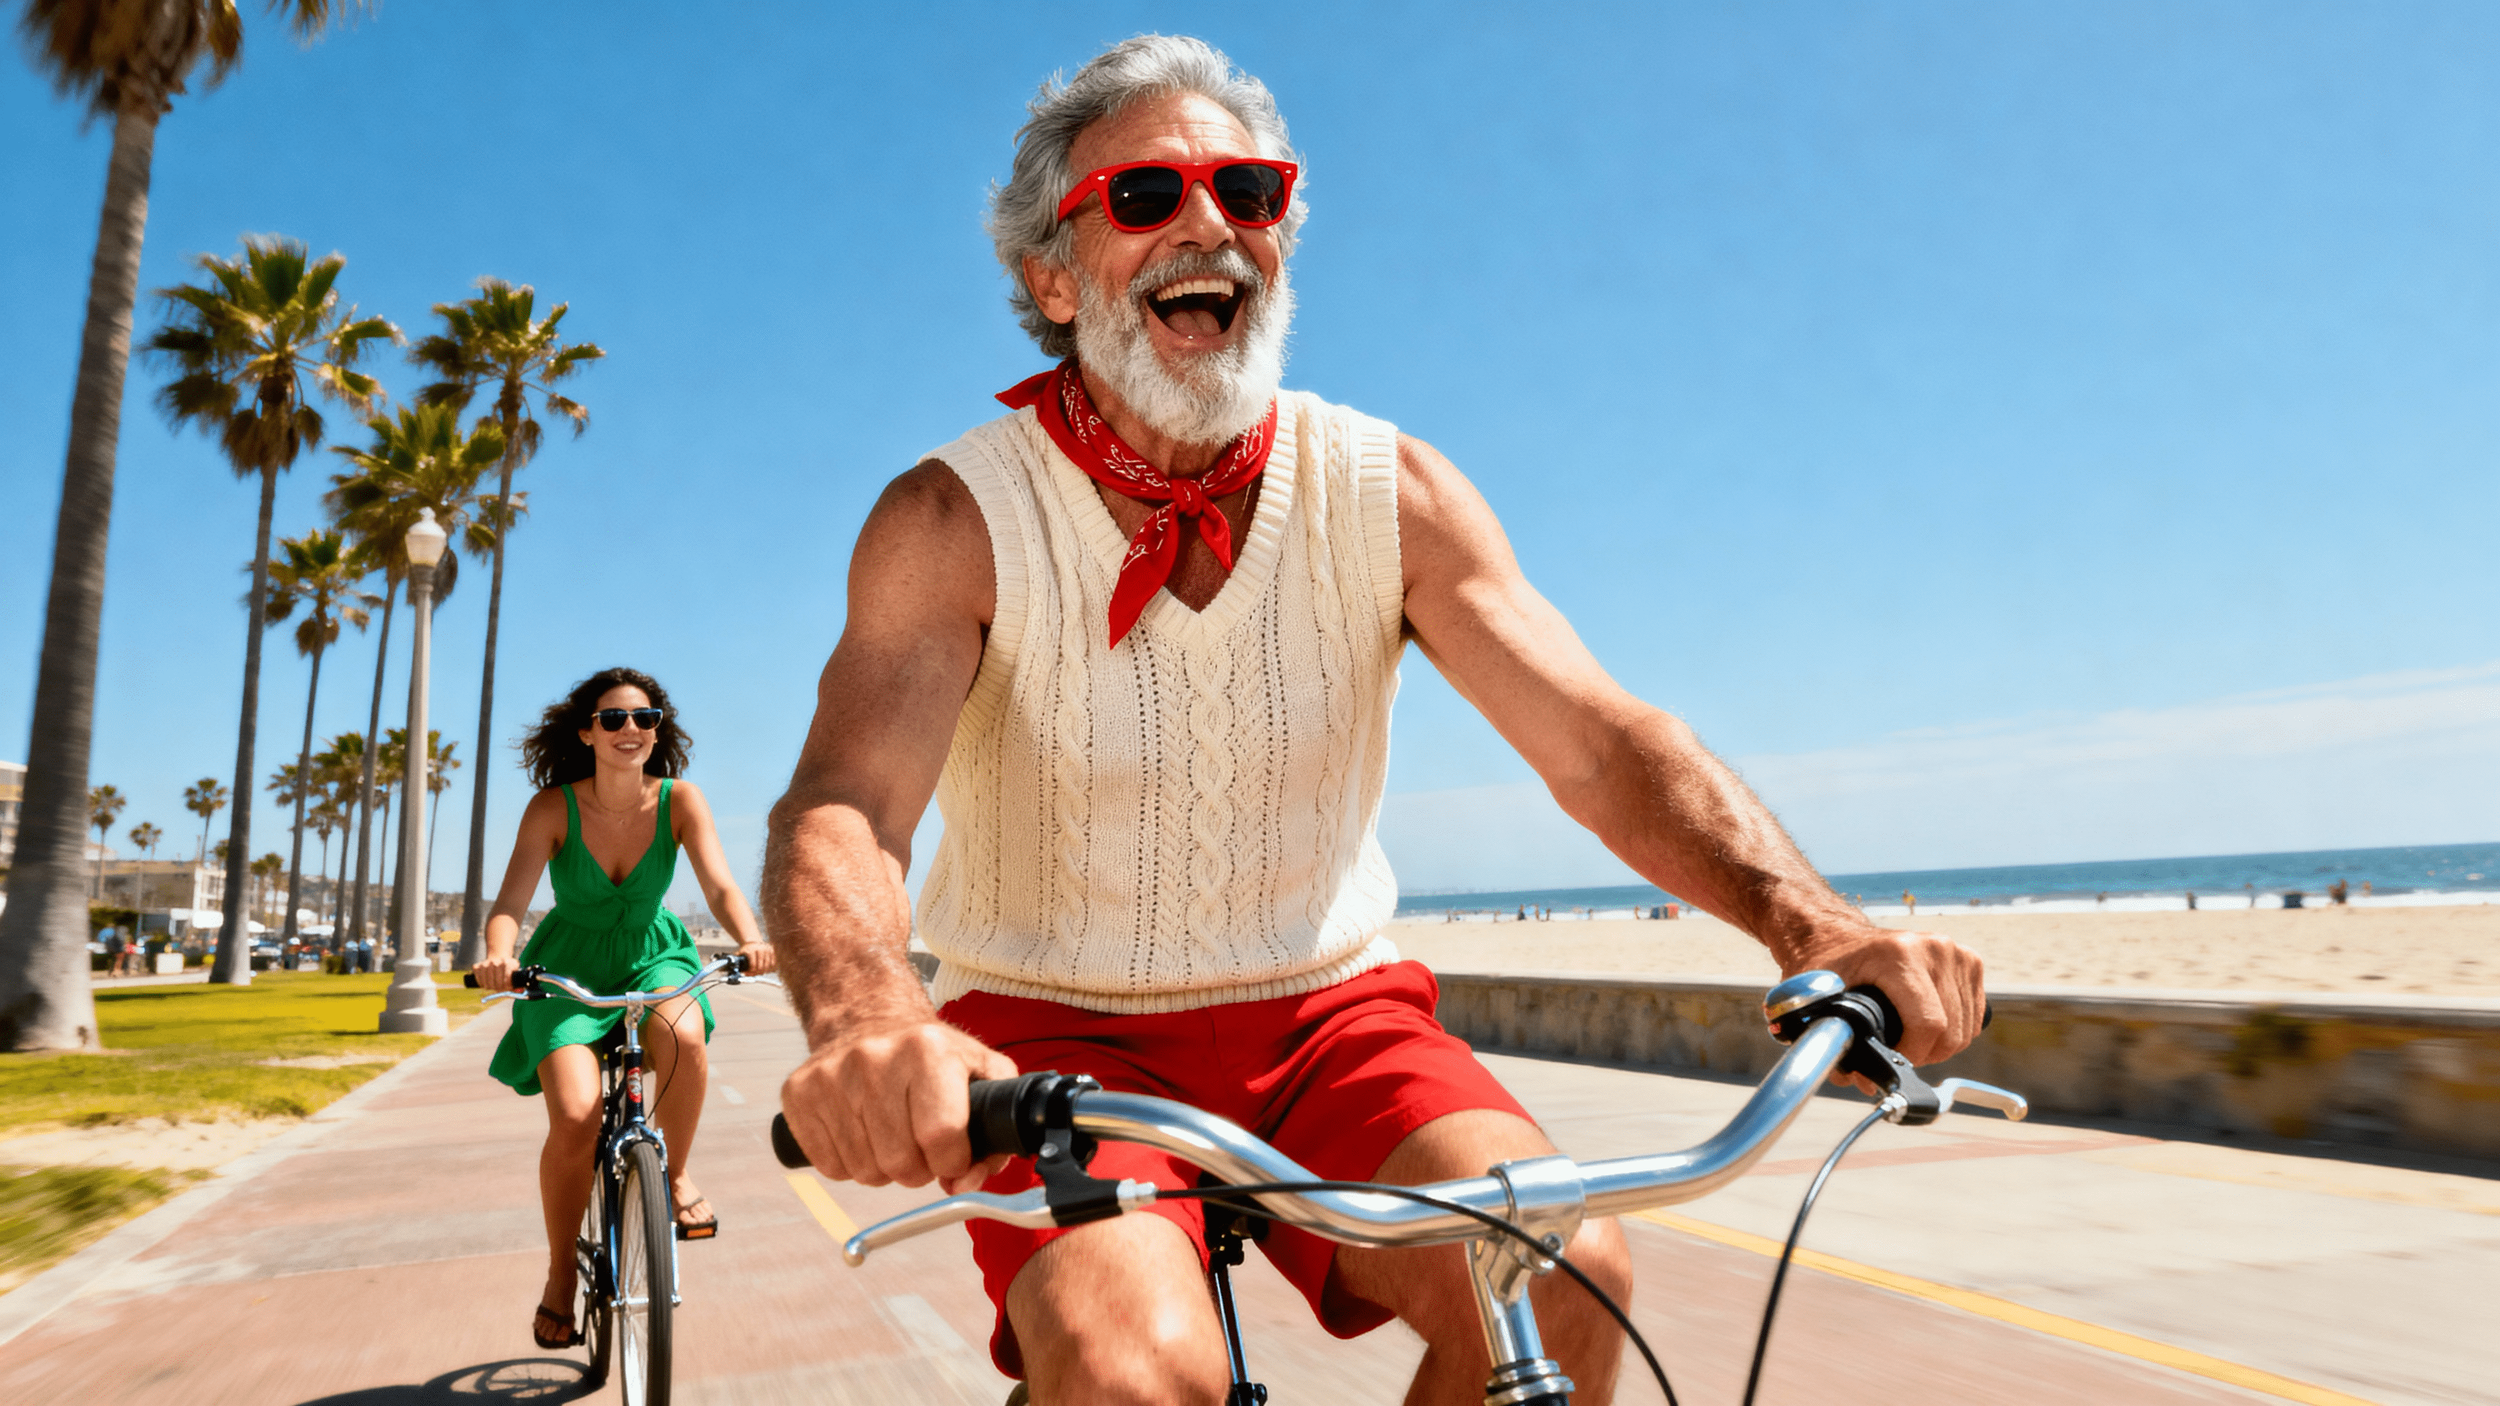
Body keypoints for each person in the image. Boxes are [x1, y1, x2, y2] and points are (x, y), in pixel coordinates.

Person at [767, 36, 1987, 1405]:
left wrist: (1808, 920)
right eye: (1146, 197)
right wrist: (871, 1012)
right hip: (1053, 1030)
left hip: (1331, 1016)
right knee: (1127, 1369)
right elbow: (847, 802)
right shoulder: (952, 517)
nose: (1210, 224)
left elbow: (1596, 737)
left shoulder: (1384, 487)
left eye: (1249, 188)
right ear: (1051, 274)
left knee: (1564, 1271)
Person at [471, 667, 774, 1350]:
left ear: (656, 731)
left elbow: (721, 887)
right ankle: (558, 1277)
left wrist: (751, 939)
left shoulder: (680, 801)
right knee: (576, 1118)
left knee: (685, 1036)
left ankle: (676, 1172)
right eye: (613, 719)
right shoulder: (553, 808)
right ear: (587, 733)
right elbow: (510, 905)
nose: (630, 729)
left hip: (652, 952)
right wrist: (499, 956)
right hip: (564, 967)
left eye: (644, 718)